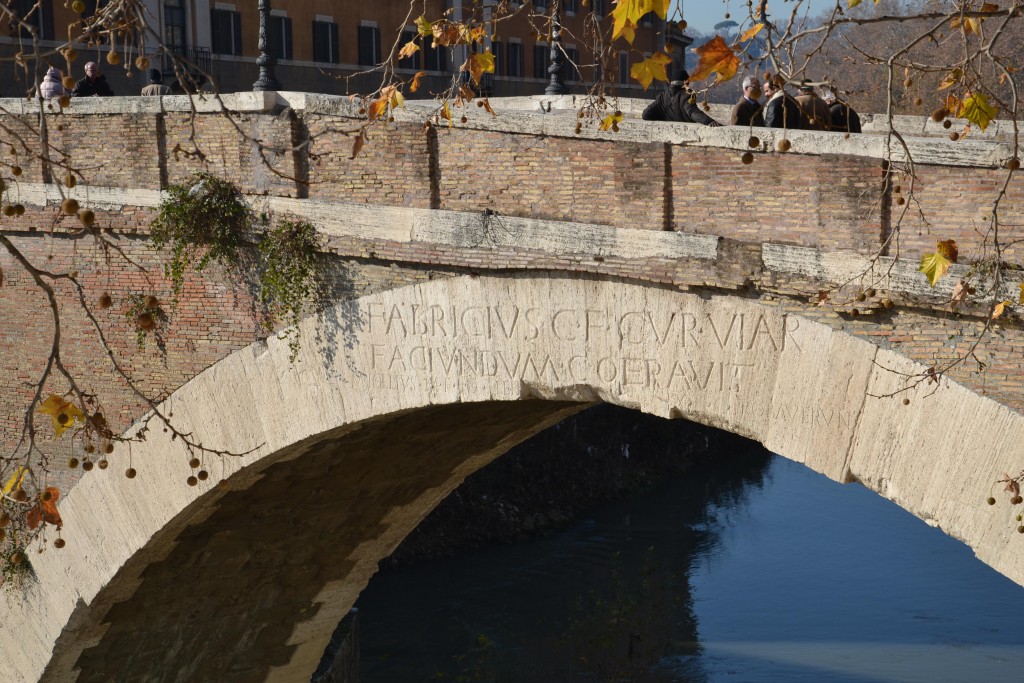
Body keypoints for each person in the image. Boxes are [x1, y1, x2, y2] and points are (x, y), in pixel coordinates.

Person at [642, 70, 721, 126]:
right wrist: (709, 121)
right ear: (685, 83)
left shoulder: (662, 96)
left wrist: (664, 117)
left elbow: (646, 115)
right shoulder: (687, 96)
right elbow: (692, 112)